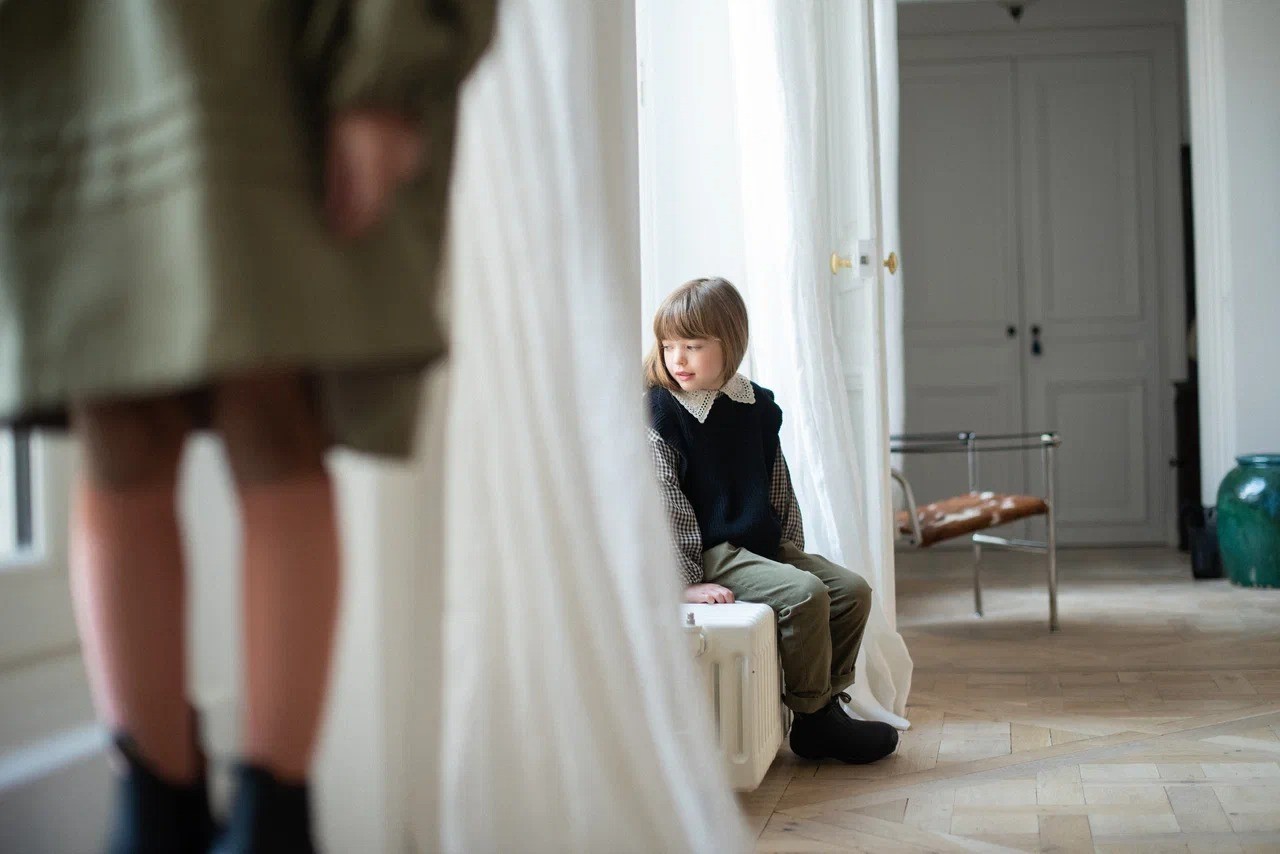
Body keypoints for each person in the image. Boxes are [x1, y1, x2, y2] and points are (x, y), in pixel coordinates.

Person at [0, 2, 495, 850]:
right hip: (63, 66)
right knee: (115, 415)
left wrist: (387, 65)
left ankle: (274, 819)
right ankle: (154, 813)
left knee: (271, 411)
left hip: (263, 46)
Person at [644, 277, 899, 765]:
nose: (677, 359)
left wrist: (791, 550)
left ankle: (828, 705)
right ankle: (813, 720)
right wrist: (685, 582)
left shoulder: (755, 405)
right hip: (711, 553)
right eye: (668, 345)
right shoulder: (661, 410)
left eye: (693, 346)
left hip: (759, 546)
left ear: (729, 343)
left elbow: (777, 484)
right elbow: (665, 502)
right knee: (805, 594)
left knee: (852, 592)